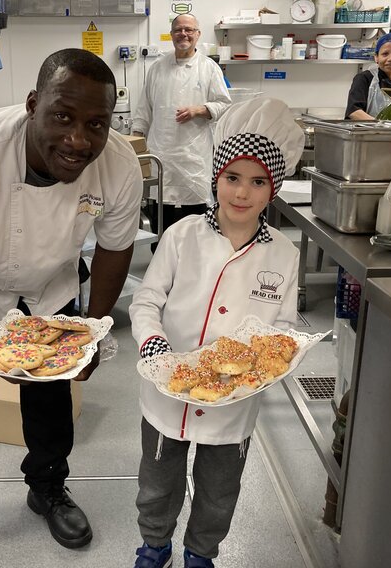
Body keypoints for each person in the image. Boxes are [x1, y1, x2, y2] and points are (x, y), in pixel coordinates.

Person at [0, 48, 143, 568]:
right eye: (62, 116)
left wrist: (92, 329)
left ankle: (48, 488)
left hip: (51, 288)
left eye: (96, 124)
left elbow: (115, 246)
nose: (79, 140)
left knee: (51, 397)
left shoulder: (120, 165)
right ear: (32, 105)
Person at [128, 97, 304, 568]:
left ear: (274, 189)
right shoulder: (182, 235)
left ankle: (201, 553)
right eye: (232, 177)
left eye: (258, 181)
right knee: (157, 480)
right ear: (216, 177)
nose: (242, 193)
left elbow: (283, 326)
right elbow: (147, 301)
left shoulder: (283, 255)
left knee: (220, 488)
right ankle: (155, 545)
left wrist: (266, 363)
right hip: (169, 389)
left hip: (235, 402)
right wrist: (154, 344)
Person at [132, 13, 231, 234]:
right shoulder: (157, 68)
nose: (183, 34)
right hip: (162, 155)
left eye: (189, 30)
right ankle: (160, 261)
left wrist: (199, 109)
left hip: (193, 157)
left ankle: (193, 262)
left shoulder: (208, 68)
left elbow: (224, 103)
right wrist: (136, 146)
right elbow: (143, 110)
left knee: (195, 218)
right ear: (171, 35)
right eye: (178, 30)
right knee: (161, 217)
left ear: (197, 34)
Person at [345, 32, 391, 120]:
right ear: (376, 57)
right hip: (368, 132)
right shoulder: (365, 78)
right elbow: (354, 112)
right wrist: (381, 126)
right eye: (385, 54)